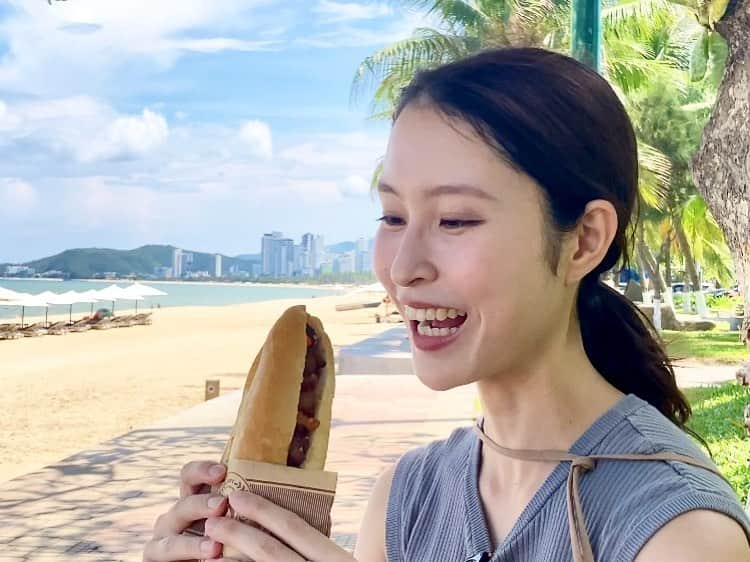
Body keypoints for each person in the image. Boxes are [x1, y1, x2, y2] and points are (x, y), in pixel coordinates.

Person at [142, 47, 750, 562]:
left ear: (583, 240)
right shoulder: (405, 499)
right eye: (393, 216)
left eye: (455, 219)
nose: (404, 269)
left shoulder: (678, 530)